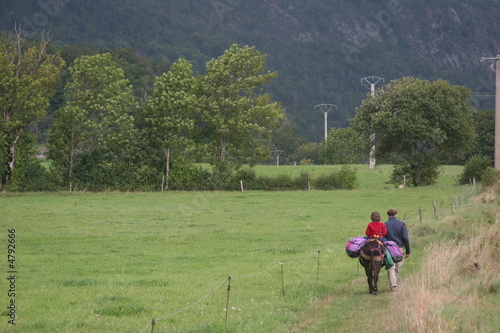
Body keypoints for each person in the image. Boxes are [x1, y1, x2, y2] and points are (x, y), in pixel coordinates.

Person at [384, 208, 410, 292]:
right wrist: (408, 251)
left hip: (389, 248)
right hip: (399, 248)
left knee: (391, 267)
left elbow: (383, 237)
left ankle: (393, 285)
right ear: (396, 215)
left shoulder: (385, 225)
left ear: (388, 215)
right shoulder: (401, 224)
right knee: (398, 267)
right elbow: (405, 238)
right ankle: (395, 284)